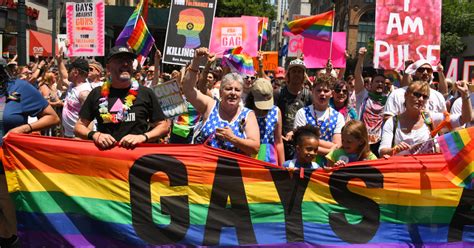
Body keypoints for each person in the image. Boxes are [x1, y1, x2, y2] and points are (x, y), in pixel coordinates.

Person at [0, 57, 60, 247]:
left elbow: (52, 117)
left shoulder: (19, 88)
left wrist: (24, 128)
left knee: (8, 220)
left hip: (6, 168)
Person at [74, 46, 170, 149]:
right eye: (120, 60)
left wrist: (143, 137)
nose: (125, 64)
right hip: (106, 159)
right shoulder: (97, 93)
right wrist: (95, 135)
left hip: (136, 160)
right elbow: (79, 127)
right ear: (109, 67)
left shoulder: (146, 93)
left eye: (129, 61)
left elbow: (163, 126)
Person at [183, 47, 260, 156]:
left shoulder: (248, 115)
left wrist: (232, 138)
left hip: (230, 171)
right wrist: (196, 60)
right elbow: (188, 89)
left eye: (237, 90)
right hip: (203, 168)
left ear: (241, 93)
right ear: (220, 92)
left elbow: (255, 148)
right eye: (228, 89)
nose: (233, 93)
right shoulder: (210, 106)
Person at [379, 80, 472, 157]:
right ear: (406, 95)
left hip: (427, 173)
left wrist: (465, 95)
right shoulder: (393, 122)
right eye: (416, 94)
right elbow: (382, 151)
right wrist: (394, 150)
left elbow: (465, 119)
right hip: (402, 173)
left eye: (425, 97)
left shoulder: (431, 119)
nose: (420, 99)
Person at [294, 75, 345, 163]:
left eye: (326, 91)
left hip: (328, 165)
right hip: (305, 164)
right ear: (312, 91)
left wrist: (312, 144)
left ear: (332, 94)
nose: (322, 93)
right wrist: (329, 150)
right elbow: (301, 143)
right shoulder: (302, 113)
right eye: (319, 90)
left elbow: (337, 146)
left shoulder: (338, 117)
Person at [354, 47, 389, 156]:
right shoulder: (363, 95)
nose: (379, 84)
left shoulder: (388, 100)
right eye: (377, 81)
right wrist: (361, 58)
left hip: (379, 141)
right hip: (361, 140)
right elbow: (357, 75)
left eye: (382, 82)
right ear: (371, 84)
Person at [274, 59, 312, 159]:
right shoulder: (278, 93)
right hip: (280, 142)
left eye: (299, 72)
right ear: (288, 74)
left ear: (304, 75)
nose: (296, 74)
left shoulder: (308, 96)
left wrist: (295, 132)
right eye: (294, 71)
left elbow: (311, 120)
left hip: (301, 145)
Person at [246, 78, 284, 166]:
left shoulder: (275, 111)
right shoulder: (246, 112)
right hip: (249, 156)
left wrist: (283, 166)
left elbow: (278, 141)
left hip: (270, 158)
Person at [56, 55, 94, 138]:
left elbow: (90, 120)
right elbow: (64, 77)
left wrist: (82, 138)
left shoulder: (84, 93)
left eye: (69, 70)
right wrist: (59, 61)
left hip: (77, 138)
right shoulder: (72, 85)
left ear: (75, 73)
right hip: (68, 136)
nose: (67, 72)